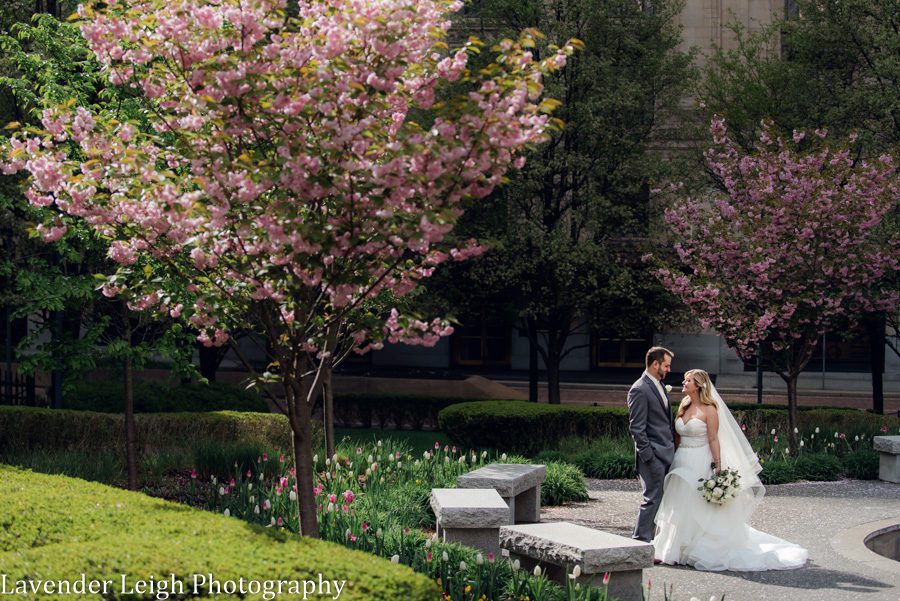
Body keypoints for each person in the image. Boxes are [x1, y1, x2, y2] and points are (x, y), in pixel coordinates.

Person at [653, 369, 808, 571]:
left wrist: (718, 464)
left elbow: (713, 438)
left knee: (696, 503)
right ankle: (673, 549)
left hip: (700, 458)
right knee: (679, 501)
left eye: (688, 380)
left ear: (699, 385)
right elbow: (678, 436)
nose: (683, 382)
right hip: (681, 459)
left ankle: (696, 548)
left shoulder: (709, 409)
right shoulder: (684, 405)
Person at [627, 346, 676, 543]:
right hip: (652, 456)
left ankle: (650, 542)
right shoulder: (639, 389)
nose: (669, 369)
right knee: (651, 499)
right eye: (667, 365)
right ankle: (640, 541)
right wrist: (650, 457)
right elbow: (637, 428)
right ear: (655, 364)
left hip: (664, 453)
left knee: (658, 500)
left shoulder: (658, 385)